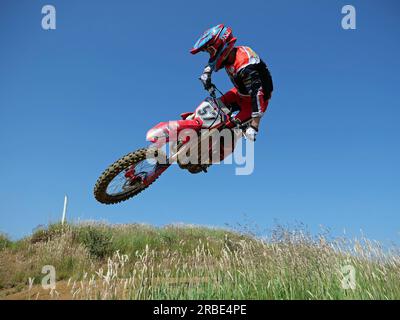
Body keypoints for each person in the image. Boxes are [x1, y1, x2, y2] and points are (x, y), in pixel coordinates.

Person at [191, 24, 274, 142]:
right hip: (239, 93)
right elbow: (213, 62)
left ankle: (213, 150)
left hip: (253, 103)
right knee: (214, 105)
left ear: (221, 46)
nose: (211, 55)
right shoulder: (230, 55)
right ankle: (191, 123)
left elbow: (257, 92)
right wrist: (206, 73)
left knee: (226, 129)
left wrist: (254, 126)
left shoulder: (245, 64)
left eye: (211, 51)